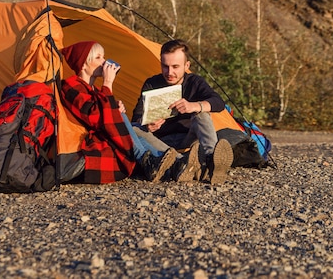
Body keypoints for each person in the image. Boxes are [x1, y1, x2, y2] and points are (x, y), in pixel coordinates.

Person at [59, 41, 177, 184]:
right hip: (90, 142)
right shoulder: (71, 86)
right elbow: (97, 118)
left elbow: (106, 114)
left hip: (105, 134)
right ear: (83, 64)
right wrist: (108, 84)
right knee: (122, 120)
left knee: (136, 129)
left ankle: (169, 162)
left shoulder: (94, 90)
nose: (104, 62)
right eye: (98, 58)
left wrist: (114, 107)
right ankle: (147, 160)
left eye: (103, 57)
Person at [131, 39, 234, 185]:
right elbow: (136, 118)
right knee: (134, 128)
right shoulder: (151, 84)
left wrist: (195, 106)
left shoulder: (195, 82)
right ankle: (183, 163)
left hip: (189, 140)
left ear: (187, 65)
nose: (169, 72)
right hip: (161, 142)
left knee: (202, 113)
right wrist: (148, 125)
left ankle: (212, 160)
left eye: (175, 67)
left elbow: (218, 103)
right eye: (165, 66)